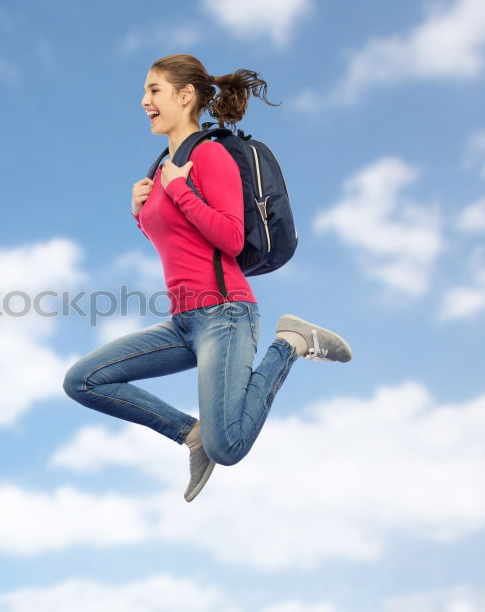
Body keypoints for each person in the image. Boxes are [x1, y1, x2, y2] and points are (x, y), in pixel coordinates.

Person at [62, 54, 353, 502]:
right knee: (83, 380)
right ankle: (189, 434)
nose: (144, 101)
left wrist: (179, 189)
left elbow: (232, 238)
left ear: (185, 95)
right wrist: (140, 213)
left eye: (153, 90)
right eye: (144, 92)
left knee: (230, 446)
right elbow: (180, 243)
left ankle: (290, 342)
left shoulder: (210, 155)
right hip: (182, 323)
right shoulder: (161, 169)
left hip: (225, 314)